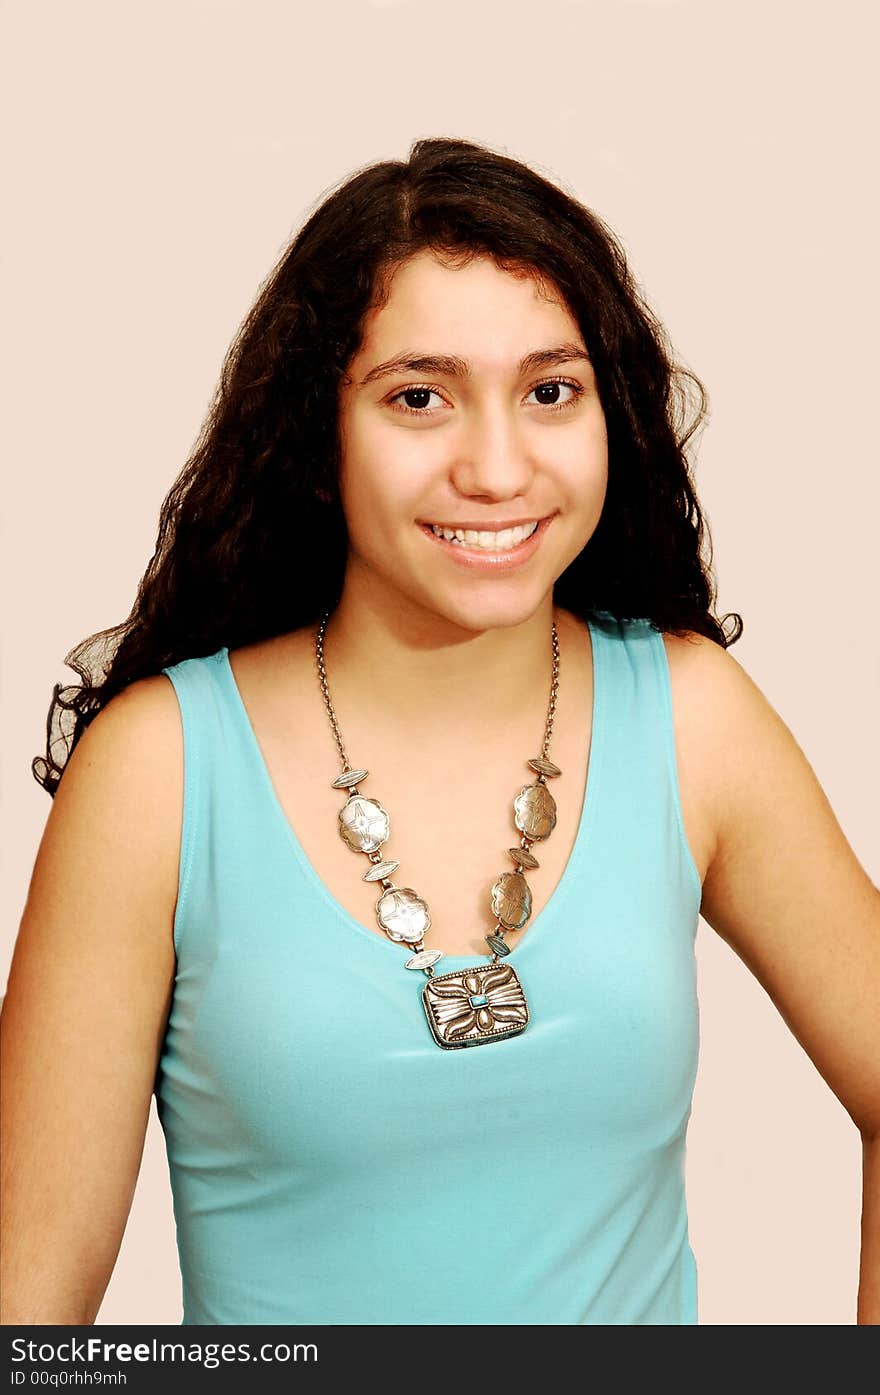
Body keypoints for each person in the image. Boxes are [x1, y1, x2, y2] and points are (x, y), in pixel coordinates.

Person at [1, 136, 877, 1327]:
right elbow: (27, 1319)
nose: (497, 466)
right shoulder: (157, 770)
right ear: (318, 438)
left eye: (549, 392)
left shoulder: (691, 714)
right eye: (420, 397)